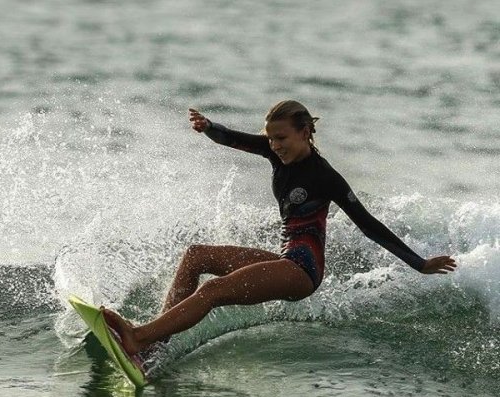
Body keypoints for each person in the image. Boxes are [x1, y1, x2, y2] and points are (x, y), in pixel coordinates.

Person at [104, 101, 456, 358]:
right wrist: (208, 126)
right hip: (285, 259)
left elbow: (369, 225)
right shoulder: (275, 153)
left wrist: (420, 264)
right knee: (196, 256)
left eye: (282, 138)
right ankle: (152, 348)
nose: (275, 146)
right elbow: (231, 138)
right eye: (271, 139)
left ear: (305, 132)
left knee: (214, 291)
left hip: (303, 272)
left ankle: (139, 337)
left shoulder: (325, 177)